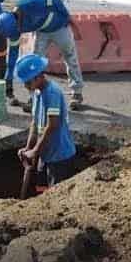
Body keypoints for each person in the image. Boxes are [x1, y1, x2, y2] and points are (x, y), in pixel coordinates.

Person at [0, 0, 84, 110]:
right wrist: (8, 78)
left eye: (17, 29)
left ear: (15, 20)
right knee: (34, 63)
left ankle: (77, 93)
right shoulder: (12, 29)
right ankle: (34, 98)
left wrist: (72, 23)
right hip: (42, 31)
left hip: (60, 26)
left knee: (70, 57)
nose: (17, 32)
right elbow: (13, 55)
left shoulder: (30, 3)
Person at [15, 53, 77, 188]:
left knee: (56, 195)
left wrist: (35, 151)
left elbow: (52, 125)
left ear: (38, 77)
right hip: (45, 153)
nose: (25, 86)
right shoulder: (37, 92)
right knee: (41, 189)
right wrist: (28, 147)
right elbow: (35, 122)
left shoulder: (52, 93)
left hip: (59, 156)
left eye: (27, 82)